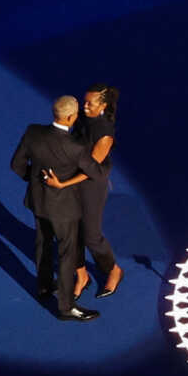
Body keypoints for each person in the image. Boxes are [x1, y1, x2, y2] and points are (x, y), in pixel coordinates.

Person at [9, 96, 101, 318]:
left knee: (43, 244)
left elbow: (16, 165)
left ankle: (44, 287)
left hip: (38, 201)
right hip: (64, 209)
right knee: (67, 255)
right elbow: (95, 173)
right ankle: (67, 307)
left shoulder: (33, 132)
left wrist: (37, 182)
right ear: (70, 117)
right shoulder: (75, 147)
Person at [72, 83, 123, 301]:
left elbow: (91, 168)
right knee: (70, 229)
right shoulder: (84, 118)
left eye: (89, 103)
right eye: (84, 101)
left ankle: (113, 270)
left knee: (91, 236)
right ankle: (81, 275)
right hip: (70, 177)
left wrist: (63, 183)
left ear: (102, 105)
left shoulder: (104, 134)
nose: (84, 106)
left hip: (90, 184)